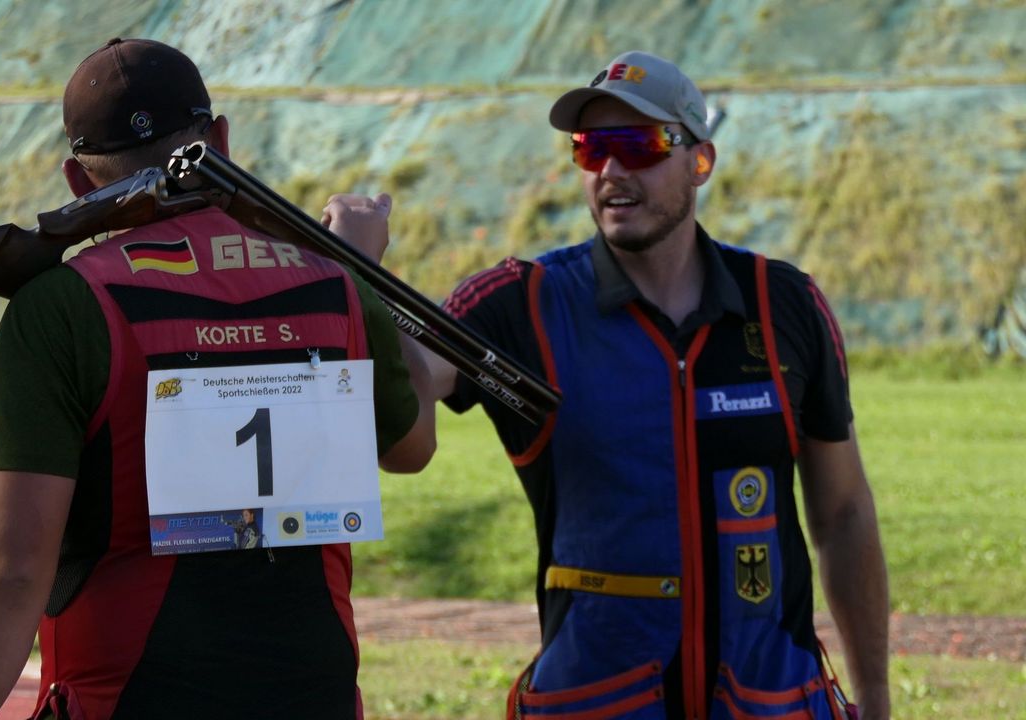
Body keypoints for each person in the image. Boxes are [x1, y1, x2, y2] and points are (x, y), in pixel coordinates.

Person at [331, 51, 890, 719]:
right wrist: (353, 272)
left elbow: (845, 512)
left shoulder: (784, 304)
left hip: (769, 702)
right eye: (592, 151)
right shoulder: (521, 303)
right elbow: (410, 400)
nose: (613, 172)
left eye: (638, 145)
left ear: (700, 161)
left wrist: (878, 702)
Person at [0, 38, 435, 720]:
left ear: (79, 182)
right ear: (220, 139)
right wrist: (364, 267)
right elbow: (412, 445)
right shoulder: (336, 286)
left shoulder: (64, 307)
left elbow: (10, 571)